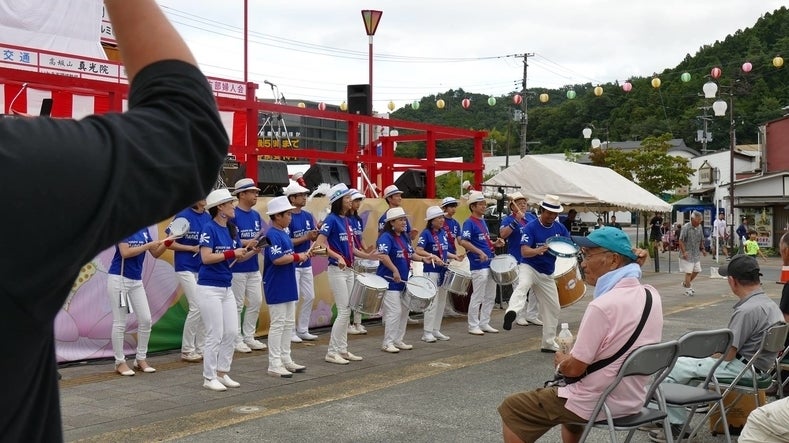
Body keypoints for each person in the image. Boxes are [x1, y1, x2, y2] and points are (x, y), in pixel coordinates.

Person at [0, 1, 228, 438]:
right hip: (123, 279)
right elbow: (189, 131)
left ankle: (135, 359)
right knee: (125, 322)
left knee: (143, 321)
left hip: (141, 278)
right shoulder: (20, 166)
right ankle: (125, 360)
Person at [498, 227, 663, 443]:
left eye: (588, 255)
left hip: (598, 400)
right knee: (566, 398)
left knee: (514, 407)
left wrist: (561, 362)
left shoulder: (602, 306)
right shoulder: (651, 295)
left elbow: (574, 368)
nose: (583, 264)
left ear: (613, 260)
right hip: (632, 398)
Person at [644, 254, 784, 442]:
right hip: (760, 369)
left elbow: (728, 354)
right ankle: (665, 416)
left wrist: (705, 356)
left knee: (671, 366)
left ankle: (675, 426)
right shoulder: (769, 304)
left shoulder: (747, 310)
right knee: (687, 369)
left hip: (741, 369)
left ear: (732, 281)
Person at [198, 189, 257, 391]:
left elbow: (238, 257)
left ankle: (222, 372)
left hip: (226, 287)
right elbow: (206, 257)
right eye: (230, 203)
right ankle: (208, 377)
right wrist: (232, 253)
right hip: (209, 287)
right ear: (220, 207)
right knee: (214, 333)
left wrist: (253, 250)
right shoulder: (209, 228)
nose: (233, 206)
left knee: (231, 332)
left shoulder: (232, 229)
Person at [314, 183, 375, 364]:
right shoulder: (331, 219)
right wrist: (337, 256)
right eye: (347, 198)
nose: (350, 200)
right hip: (337, 270)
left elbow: (352, 247)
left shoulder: (347, 220)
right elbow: (318, 245)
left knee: (347, 310)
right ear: (339, 201)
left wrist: (368, 256)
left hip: (348, 270)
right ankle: (332, 352)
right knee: (343, 311)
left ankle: (343, 350)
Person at [502, 195, 571, 353]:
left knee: (554, 308)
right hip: (529, 267)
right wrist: (538, 250)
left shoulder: (560, 228)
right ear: (541, 211)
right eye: (549, 213)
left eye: (555, 213)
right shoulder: (531, 227)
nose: (552, 216)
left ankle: (548, 343)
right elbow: (524, 252)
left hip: (547, 273)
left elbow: (568, 246)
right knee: (523, 285)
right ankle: (512, 312)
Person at [107, 227, 168, 376]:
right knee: (120, 322)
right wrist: (148, 245)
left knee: (146, 320)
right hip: (119, 280)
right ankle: (120, 362)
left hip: (136, 281)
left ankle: (140, 359)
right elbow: (125, 252)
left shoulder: (144, 229)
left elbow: (155, 253)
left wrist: (169, 241)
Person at [263, 196, 309, 378]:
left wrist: (300, 256)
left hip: (287, 282)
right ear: (277, 216)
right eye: (287, 214)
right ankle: (274, 363)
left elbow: (286, 256)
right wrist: (298, 257)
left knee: (288, 323)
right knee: (278, 324)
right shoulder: (272, 235)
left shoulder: (283, 233)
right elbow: (277, 259)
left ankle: (285, 358)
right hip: (276, 284)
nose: (290, 217)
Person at [378, 207, 435, 352]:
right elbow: (383, 256)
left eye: (404, 219)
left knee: (404, 310)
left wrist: (422, 259)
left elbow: (410, 254)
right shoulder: (386, 237)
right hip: (389, 280)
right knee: (395, 311)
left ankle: (398, 340)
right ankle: (387, 342)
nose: (404, 222)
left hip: (403, 281)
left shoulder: (404, 236)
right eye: (401, 220)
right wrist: (394, 270)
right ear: (391, 222)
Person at [168, 200, 211, 363]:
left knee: (204, 306)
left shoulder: (207, 216)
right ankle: (187, 350)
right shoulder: (183, 215)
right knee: (196, 306)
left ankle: (201, 347)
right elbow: (169, 242)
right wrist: (190, 248)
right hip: (185, 266)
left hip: (201, 267)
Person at [458, 192, 505, 335]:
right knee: (478, 295)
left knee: (490, 295)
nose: (484, 206)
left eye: (484, 204)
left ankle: (484, 323)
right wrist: (479, 252)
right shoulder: (469, 222)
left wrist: (494, 243)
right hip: (478, 263)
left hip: (489, 261)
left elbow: (484, 241)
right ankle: (473, 325)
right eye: (481, 204)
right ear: (473, 207)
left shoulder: (482, 221)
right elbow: (464, 241)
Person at [229, 178, 266, 353]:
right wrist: (250, 242)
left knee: (256, 301)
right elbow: (232, 240)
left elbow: (256, 237)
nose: (256, 195)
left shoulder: (256, 215)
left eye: (256, 192)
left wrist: (258, 243)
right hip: (237, 267)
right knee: (237, 304)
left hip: (253, 265)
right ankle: (236, 339)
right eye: (252, 192)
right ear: (241, 194)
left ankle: (249, 336)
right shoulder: (232, 214)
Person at [416, 206, 461, 343]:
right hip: (431, 270)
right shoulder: (426, 233)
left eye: (442, 217)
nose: (442, 220)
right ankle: (427, 332)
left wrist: (454, 256)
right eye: (439, 218)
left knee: (441, 301)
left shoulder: (442, 233)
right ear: (431, 220)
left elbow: (443, 251)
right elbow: (418, 250)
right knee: (432, 302)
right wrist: (432, 256)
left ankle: (436, 329)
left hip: (442, 271)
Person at [284, 181, 320, 342]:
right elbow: (286, 241)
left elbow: (312, 236)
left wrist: (316, 233)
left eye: (305, 195)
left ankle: (303, 329)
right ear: (292, 198)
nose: (305, 198)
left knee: (310, 296)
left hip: (306, 262)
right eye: (301, 195)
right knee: (294, 298)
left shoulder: (307, 215)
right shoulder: (287, 216)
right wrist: (306, 237)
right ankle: (291, 331)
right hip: (292, 263)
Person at [499, 192, 541, 326]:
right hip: (516, 258)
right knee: (520, 288)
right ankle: (519, 315)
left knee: (535, 288)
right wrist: (516, 220)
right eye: (519, 203)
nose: (523, 205)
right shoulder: (507, 219)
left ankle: (532, 314)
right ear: (512, 206)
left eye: (524, 203)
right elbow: (503, 234)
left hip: (532, 258)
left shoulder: (531, 217)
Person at [348, 189, 371, 335]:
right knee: (350, 291)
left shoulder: (358, 219)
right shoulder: (344, 219)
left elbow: (360, 238)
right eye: (355, 200)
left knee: (359, 290)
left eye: (359, 200)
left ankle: (358, 322)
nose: (358, 203)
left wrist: (366, 251)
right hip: (349, 258)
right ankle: (348, 323)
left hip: (359, 257)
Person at [440, 196, 465, 317]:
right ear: (444, 208)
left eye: (454, 206)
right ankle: (442, 308)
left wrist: (469, 246)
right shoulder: (440, 221)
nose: (454, 209)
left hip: (451, 254)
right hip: (441, 255)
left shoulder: (455, 223)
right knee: (442, 282)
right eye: (451, 206)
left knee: (448, 282)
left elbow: (460, 240)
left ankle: (447, 307)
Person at [678, 211, 706, 296]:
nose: (699, 222)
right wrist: (684, 252)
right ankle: (688, 289)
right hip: (687, 253)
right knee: (688, 272)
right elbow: (681, 240)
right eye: (698, 220)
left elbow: (701, 239)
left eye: (700, 220)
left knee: (697, 270)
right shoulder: (686, 227)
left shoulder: (699, 227)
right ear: (692, 219)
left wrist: (703, 249)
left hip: (696, 253)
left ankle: (686, 283)